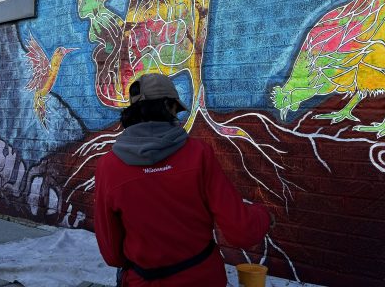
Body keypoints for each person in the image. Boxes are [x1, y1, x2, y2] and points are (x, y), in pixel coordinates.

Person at [94, 73, 274, 286]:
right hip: (203, 278)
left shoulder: (108, 166)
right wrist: (263, 215)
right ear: (169, 108)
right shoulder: (199, 154)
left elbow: (112, 254)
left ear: (132, 113)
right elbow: (241, 231)